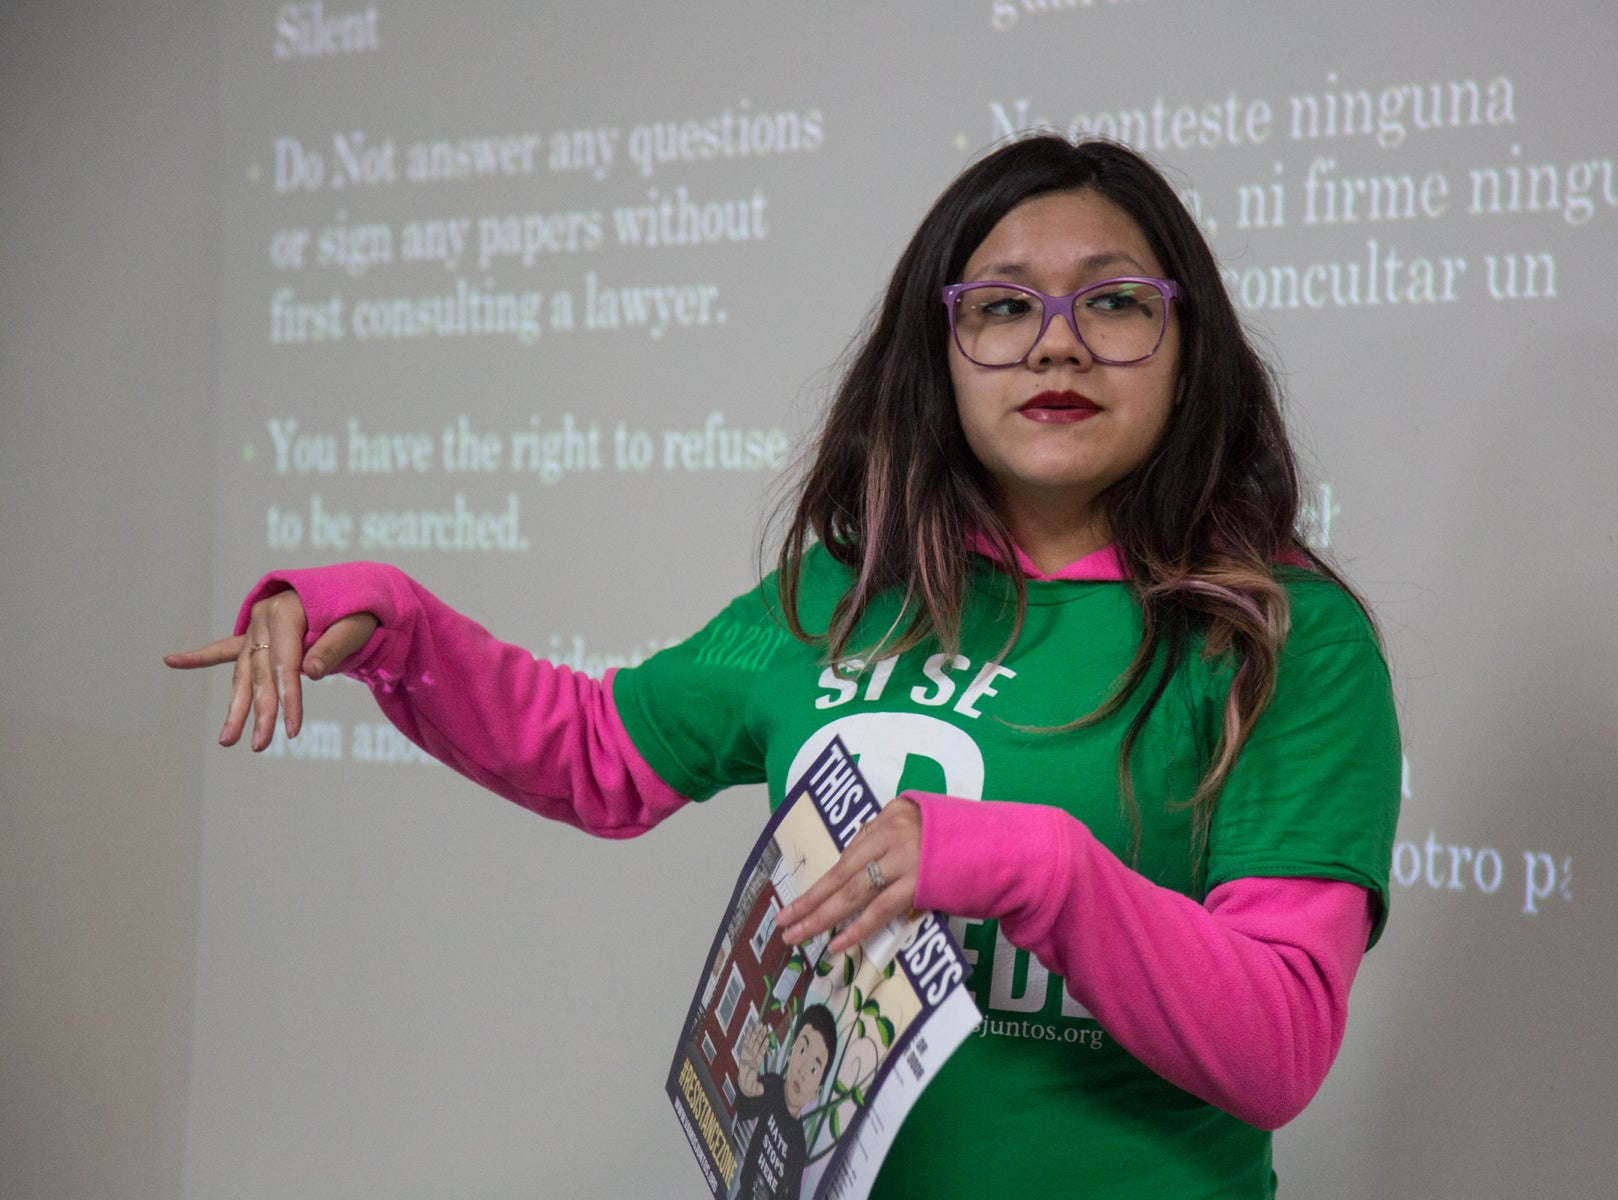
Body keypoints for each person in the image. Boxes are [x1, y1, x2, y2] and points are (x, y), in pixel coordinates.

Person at [168, 135, 1400, 1199]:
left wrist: (1027, 863)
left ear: (1189, 346)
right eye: (1004, 305)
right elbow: (599, 753)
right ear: (945, 351)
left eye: (1116, 301)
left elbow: (1278, 1044)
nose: (1056, 346)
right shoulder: (841, 590)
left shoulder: (1279, 630)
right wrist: (393, 620)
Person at [732, 1006, 838, 1200]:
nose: (803, 1070)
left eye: (814, 1069)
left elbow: (793, 1195)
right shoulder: (772, 1086)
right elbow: (745, 1108)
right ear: (790, 1053)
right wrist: (744, 1085)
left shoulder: (798, 1145)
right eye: (803, 1050)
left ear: (816, 1092)